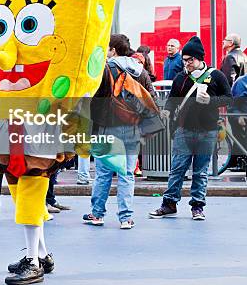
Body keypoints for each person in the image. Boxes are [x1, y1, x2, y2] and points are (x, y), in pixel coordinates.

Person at [150, 36, 232, 220]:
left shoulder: (216, 75)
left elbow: (228, 97)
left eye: (190, 60)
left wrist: (211, 101)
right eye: (184, 60)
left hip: (208, 129)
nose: (186, 63)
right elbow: (172, 100)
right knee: (177, 169)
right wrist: (168, 111)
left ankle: (197, 207)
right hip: (184, 129)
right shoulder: (181, 77)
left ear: (199, 58)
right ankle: (169, 204)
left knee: (200, 171)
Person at [83, 34, 147, 229]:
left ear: (113, 50)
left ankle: (97, 214)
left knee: (103, 173)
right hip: (132, 128)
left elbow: (95, 101)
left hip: (108, 128)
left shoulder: (106, 69)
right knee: (127, 173)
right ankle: (126, 218)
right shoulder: (140, 71)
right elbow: (150, 98)